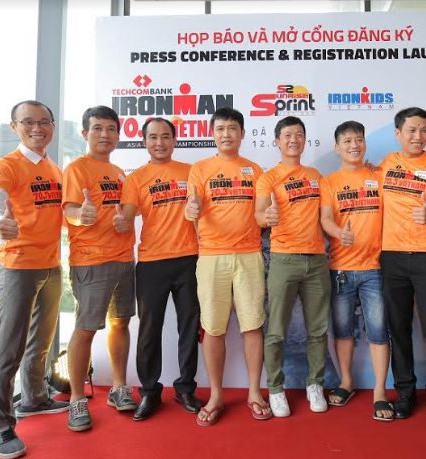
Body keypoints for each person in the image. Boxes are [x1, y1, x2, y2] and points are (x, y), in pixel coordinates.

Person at [0, 100, 68, 458]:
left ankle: (34, 399)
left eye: (44, 122)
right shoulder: (7, 165)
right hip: (18, 265)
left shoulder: (54, 169)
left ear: (52, 127)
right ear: (13, 126)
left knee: (40, 341)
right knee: (9, 348)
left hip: (51, 265)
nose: (37, 128)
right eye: (28, 122)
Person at [185, 108, 272, 426]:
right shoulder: (200, 169)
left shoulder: (255, 170)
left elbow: (262, 214)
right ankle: (216, 395)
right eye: (220, 129)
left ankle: (254, 392)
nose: (226, 134)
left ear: (242, 133)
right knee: (213, 328)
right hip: (211, 257)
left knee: (252, 326)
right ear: (212, 133)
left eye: (232, 128)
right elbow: (191, 208)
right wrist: (191, 209)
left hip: (249, 255)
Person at [119, 117, 202, 421]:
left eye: (165, 136)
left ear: (174, 140)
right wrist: (121, 219)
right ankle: (149, 392)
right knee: (149, 330)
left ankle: (185, 388)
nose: (159, 142)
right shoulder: (136, 179)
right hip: (152, 263)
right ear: (144, 142)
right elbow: (128, 213)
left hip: (189, 259)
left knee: (189, 327)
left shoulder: (191, 172)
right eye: (153, 137)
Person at [379, 107, 426, 424]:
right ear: (398, 133)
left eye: (424, 129)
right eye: (412, 130)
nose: (418, 136)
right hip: (392, 257)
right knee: (398, 330)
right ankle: (405, 394)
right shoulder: (386, 165)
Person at [62, 106, 136, 431]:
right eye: (97, 128)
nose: (104, 134)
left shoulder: (119, 173)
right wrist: (81, 216)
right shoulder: (76, 169)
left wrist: (125, 220)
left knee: (121, 323)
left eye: (110, 129)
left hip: (124, 258)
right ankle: (77, 398)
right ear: (85, 133)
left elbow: (126, 210)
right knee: (86, 328)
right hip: (91, 260)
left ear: (118, 135)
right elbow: (70, 209)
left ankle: (119, 387)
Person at [255, 116, 330, 417]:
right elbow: (259, 215)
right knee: (275, 330)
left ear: (304, 139)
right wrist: (267, 218)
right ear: (277, 141)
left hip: (317, 260)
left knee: (318, 329)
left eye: (299, 134)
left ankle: (315, 384)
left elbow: (326, 215)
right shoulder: (269, 178)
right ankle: (275, 388)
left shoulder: (315, 176)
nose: (293, 140)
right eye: (287, 135)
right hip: (283, 259)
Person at [320, 121, 394, 422]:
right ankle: (346, 382)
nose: (354, 145)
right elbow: (325, 218)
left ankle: (380, 392)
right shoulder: (329, 182)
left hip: (375, 269)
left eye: (359, 140)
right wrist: (340, 233)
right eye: (347, 141)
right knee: (343, 330)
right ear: (337, 147)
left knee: (378, 330)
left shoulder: (380, 176)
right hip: (340, 268)